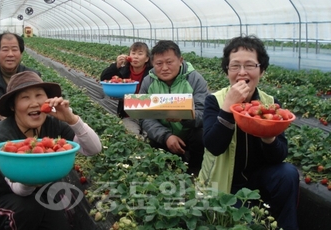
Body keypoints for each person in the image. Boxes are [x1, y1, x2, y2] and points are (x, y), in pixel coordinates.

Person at [0, 71, 102, 230]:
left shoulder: (52, 123)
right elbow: (19, 189)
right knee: (28, 210)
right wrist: (35, 177)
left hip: (39, 193)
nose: (34, 103)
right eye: (25, 97)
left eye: (39, 95)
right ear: (13, 106)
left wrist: (71, 119)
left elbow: (93, 149)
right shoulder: (1, 135)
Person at [198, 35, 299, 230]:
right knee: (246, 224)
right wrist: (228, 107)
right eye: (235, 66)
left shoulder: (270, 104)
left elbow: (280, 154)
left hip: (259, 177)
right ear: (227, 70)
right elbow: (213, 146)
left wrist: (269, 138)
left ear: (261, 70)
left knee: (288, 173)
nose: (242, 73)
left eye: (250, 65)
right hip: (226, 181)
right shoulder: (215, 101)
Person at [139, 40, 210, 172]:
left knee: (200, 134)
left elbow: (204, 113)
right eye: (159, 63)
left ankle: (196, 170)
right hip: (163, 135)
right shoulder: (148, 81)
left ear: (180, 60)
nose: (164, 68)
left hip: (189, 134)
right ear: (152, 63)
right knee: (152, 142)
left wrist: (184, 117)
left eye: (169, 62)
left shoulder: (194, 79)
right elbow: (144, 116)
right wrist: (166, 136)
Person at [100, 41, 153, 135]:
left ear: (147, 59)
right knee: (131, 135)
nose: (136, 56)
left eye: (140, 54)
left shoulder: (153, 74)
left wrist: (128, 99)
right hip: (128, 115)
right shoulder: (124, 71)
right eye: (133, 53)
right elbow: (104, 78)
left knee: (149, 137)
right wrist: (116, 65)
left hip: (149, 115)